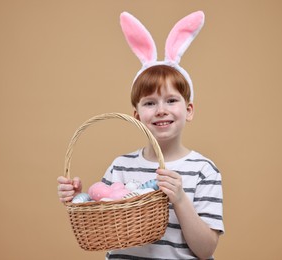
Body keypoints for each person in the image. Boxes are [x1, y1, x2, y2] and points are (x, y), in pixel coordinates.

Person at [57, 11, 224, 259]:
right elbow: (103, 223)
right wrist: (80, 198)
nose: (161, 110)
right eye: (149, 103)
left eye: (171, 100)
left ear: (188, 110)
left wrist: (179, 199)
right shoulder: (121, 167)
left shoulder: (204, 171)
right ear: (136, 116)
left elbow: (206, 249)